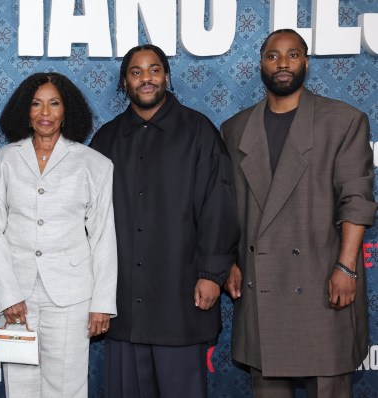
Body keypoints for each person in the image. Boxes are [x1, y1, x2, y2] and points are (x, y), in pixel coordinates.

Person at [221, 29, 377, 398]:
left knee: (330, 386)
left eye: (292, 55)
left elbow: (356, 199)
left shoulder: (343, 121)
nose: (283, 64)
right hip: (263, 283)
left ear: (306, 62)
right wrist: (229, 260)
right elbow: (227, 206)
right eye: (273, 56)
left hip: (324, 281)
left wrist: (346, 267)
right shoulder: (235, 129)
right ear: (261, 64)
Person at [90, 44, 240, 398]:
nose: (147, 78)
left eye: (154, 70)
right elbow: (87, 219)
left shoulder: (198, 131)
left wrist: (211, 274)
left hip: (182, 299)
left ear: (167, 78)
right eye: (136, 71)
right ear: (124, 83)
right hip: (124, 305)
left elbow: (218, 206)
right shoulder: (106, 140)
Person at [0, 72, 117, 397]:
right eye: (36, 104)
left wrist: (102, 303)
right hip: (17, 296)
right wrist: (7, 295)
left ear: (67, 111)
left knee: (67, 387)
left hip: (72, 296)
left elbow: (103, 236)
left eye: (54, 104)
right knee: (21, 388)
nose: (45, 113)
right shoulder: (0, 164)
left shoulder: (94, 165)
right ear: (24, 111)